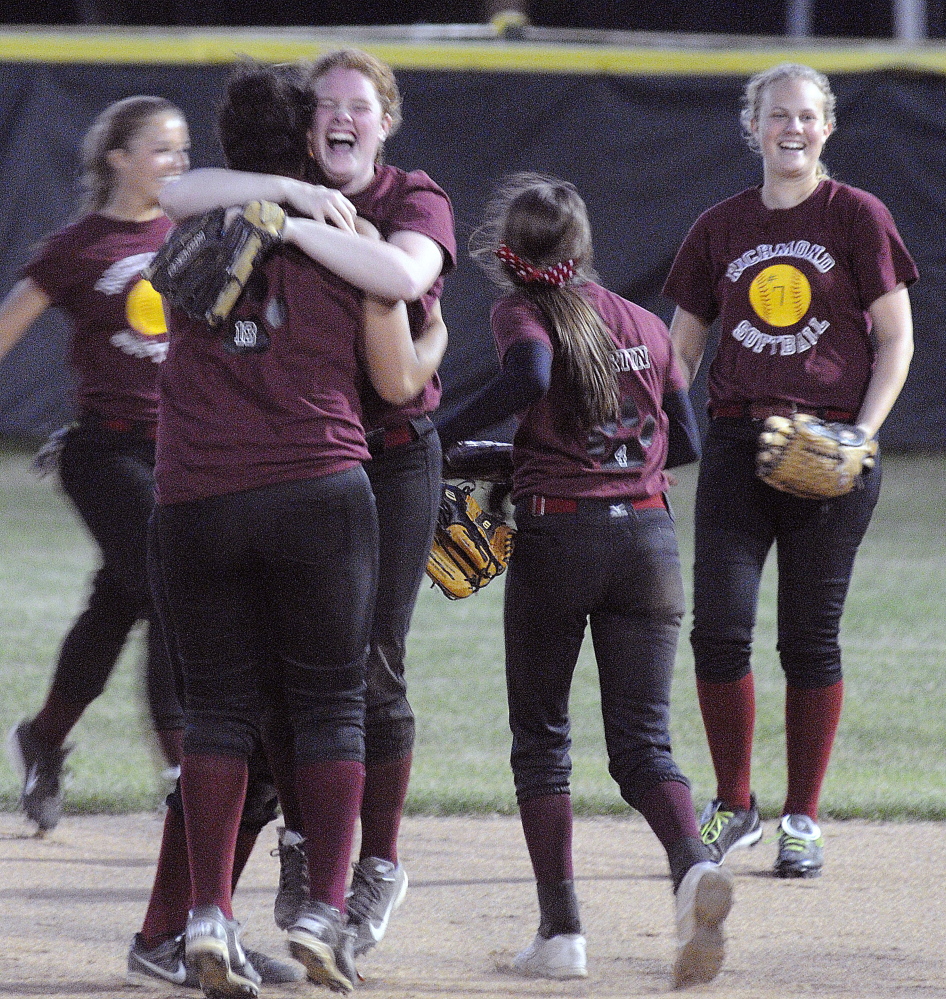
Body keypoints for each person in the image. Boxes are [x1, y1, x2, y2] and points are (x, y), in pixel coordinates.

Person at [145, 59, 446, 999]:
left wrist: (273, 201)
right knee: (330, 700)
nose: (344, 119)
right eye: (328, 108)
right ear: (309, 133)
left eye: (359, 107)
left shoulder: (201, 225)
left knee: (222, 710)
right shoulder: (344, 234)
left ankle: (202, 918)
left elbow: (174, 190)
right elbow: (398, 368)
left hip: (194, 493)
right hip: (320, 483)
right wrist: (437, 336)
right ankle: (324, 903)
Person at [435, 172, 733, 988]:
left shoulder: (520, 312)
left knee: (543, 742)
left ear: (509, 253)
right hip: (648, 539)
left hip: (561, 537)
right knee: (643, 744)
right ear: (583, 247)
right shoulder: (641, 321)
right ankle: (691, 867)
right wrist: (534, 456)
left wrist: (439, 435)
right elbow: (685, 445)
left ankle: (562, 933)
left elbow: (530, 376)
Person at [663, 63, 917, 879]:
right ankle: (736, 805)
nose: (793, 129)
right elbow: (680, 352)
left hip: (833, 448)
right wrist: (653, 437)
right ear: (753, 127)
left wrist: (862, 437)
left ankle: (803, 816)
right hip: (741, 445)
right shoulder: (719, 226)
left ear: (828, 127)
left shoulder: (857, 216)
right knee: (718, 628)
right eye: (778, 116)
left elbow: (896, 340)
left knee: (809, 639)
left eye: (807, 116)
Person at [1, 95, 191, 832]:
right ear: (118, 158)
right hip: (105, 450)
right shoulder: (79, 246)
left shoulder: (189, 235)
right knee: (171, 583)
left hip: (180, 451)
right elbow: (9, 325)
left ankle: (41, 740)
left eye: (183, 151)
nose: (178, 163)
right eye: (162, 150)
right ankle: (183, 769)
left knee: (121, 598)